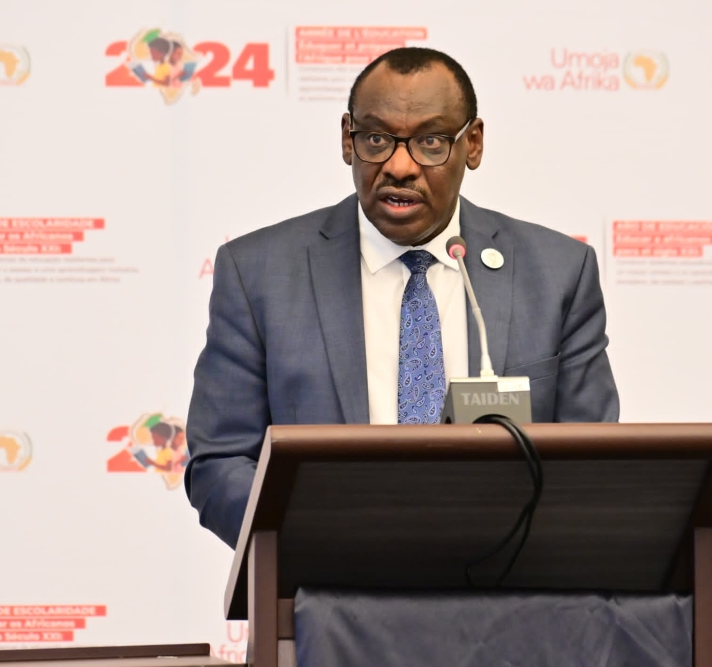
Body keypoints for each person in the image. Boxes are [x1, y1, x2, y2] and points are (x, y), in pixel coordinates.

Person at [185, 47, 619, 547]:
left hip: (507, 597)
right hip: (332, 598)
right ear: (347, 140)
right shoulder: (259, 273)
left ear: (472, 145)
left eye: (431, 142)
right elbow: (220, 462)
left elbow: (592, 464)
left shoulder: (558, 273)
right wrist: (337, 541)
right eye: (375, 139)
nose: (399, 166)